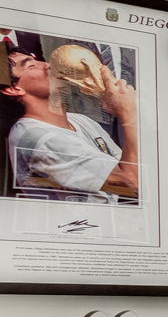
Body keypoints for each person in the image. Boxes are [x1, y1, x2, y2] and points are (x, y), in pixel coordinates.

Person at [2, 36, 140, 201]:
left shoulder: (80, 121)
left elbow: (132, 168)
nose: (48, 65)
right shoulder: (39, 139)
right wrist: (128, 114)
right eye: (31, 65)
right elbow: (133, 183)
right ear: (13, 88)